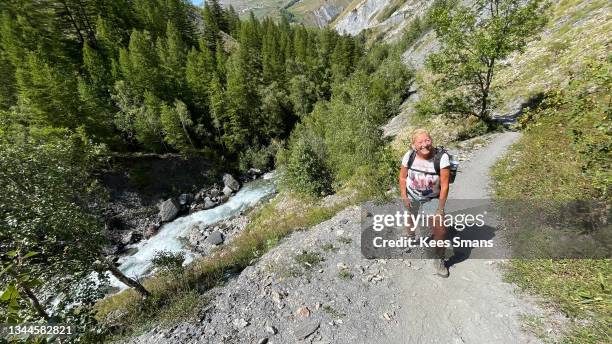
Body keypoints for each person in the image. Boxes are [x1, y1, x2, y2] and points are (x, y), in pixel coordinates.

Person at [399, 129, 451, 277]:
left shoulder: (442, 158)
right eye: (420, 142)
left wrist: (440, 209)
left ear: (431, 140)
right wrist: (404, 195)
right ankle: (409, 235)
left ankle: (439, 259)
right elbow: (403, 177)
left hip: (432, 198)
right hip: (412, 195)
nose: (424, 145)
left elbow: (445, 185)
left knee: (440, 229)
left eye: (427, 140)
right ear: (414, 145)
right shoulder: (409, 156)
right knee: (410, 217)